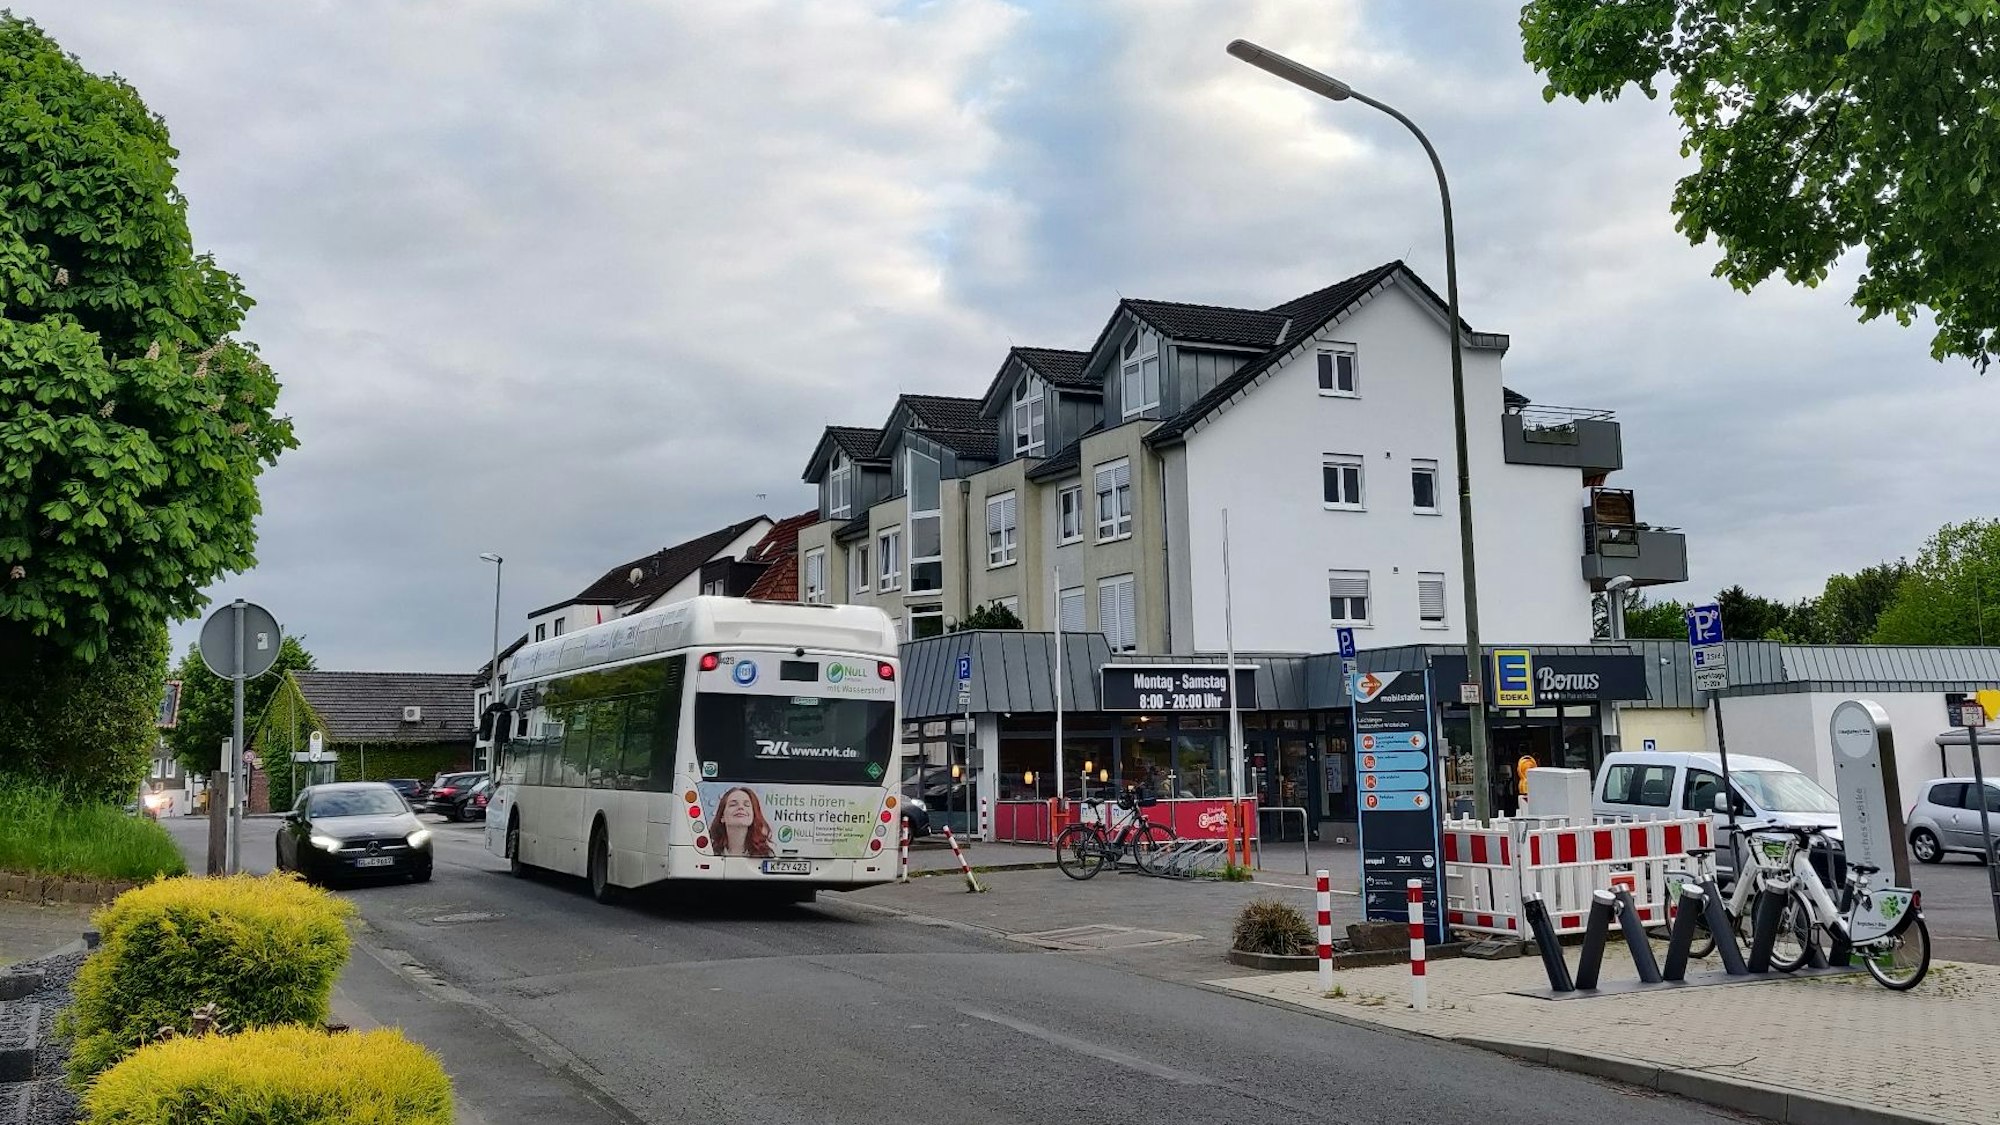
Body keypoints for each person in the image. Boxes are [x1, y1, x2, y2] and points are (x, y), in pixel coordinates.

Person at [711, 786, 775, 857]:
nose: (741, 807)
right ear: (722, 817)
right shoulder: (710, 852)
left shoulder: (766, 854)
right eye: (733, 805)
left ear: (753, 816)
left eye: (746, 805)